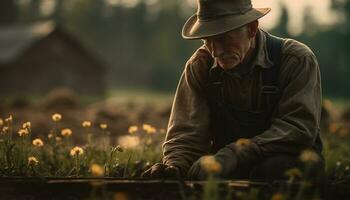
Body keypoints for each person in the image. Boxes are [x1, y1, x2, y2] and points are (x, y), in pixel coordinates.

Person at [142, 0, 324, 181]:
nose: (215, 51)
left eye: (223, 39)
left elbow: (299, 129)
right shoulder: (200, 67)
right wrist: (175, 166)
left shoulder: (296, 60)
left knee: (273, 170)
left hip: (288, 164)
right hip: (227, 168)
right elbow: (186, 135)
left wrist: (236, 153)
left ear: (252, 29)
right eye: (208, 41)